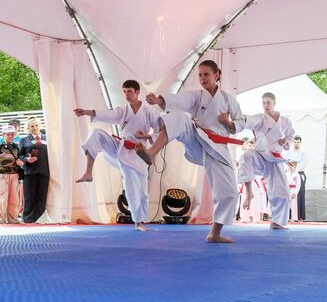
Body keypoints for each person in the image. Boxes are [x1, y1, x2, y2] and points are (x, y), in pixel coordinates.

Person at [135, 60, 246, 243]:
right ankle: (152, 152)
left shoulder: (228, 100)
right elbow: (180, 101)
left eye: (206, 74)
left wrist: (228, 123)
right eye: (200, 75)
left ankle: (214, 233)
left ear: (217, 74)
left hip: (217, 148)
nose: (202, 78)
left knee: (230, 192)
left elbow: (240, 122)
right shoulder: (197, 96)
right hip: (197, 139)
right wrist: (159, 100)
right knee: (179, 117)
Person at [74, 80, 160, 231]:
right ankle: (88, 172)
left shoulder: (148, 112)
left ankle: (140, 221)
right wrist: (86, 112)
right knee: (96, 134)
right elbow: (107, 115)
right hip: (121, 150)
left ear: (137, 92)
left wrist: (146, 137)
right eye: (124, 91)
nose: (126, 95)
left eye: (130, 91)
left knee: (141, 192)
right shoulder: (123, 110)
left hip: (139, 155)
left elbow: (160, 133)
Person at [237, 92, 295, 230]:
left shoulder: (285, 121)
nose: (265, 105)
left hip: (274, 159)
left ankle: (277, 222)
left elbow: (291, 134)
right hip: (260, 156)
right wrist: (237, 119)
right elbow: (250, 120)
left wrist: (285, 140)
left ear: (274, 103)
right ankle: (249, 192)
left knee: (283, 193)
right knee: (246, 156)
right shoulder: (260, 118)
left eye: (268, 102)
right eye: (263, 102)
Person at [19, 117, 49, 223]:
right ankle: (28, 219)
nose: (34, 128)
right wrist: (27, 159)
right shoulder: (24, 140)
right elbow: (19, 156)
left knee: (42, 196)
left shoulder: (47, 137)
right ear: (28, 128)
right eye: (32, 126)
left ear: (40, 126)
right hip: (30, 173)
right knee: (29, 197)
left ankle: (41, 218)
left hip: (44, 172)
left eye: (36, 125)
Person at [0, 126, 24, 223]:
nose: (10, 136)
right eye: (8, 134)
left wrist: (21, 163)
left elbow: (20, 158)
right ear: (3, 135)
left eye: (12, 134)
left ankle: (12, 218)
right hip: (2, 175)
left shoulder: (16, 146)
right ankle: (2, 219)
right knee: (2, 197)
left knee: (14, 198)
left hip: (14, 175)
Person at [284, 135, 307, 220]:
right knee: (288, 195)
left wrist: (294, 170)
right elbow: (285, 162)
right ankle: (289, 215)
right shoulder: (288, 152)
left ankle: (300, 215)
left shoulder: (303, 153)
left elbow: (303, 163)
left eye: (298, 142)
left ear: (300, 143)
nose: (296, 144)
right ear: (292, 142)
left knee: (299, 193)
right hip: (289, 174)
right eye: (295, 142)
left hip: (299, 173)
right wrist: (288, 170)